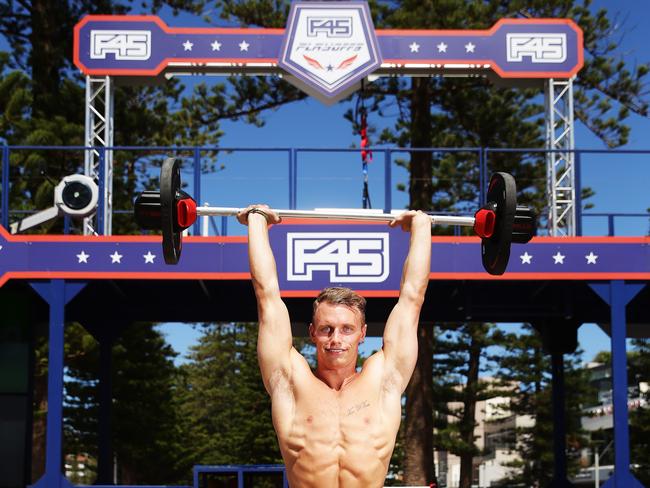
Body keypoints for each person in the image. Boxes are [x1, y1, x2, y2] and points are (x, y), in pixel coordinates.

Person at [237, 204, 432, 488]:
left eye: (347, 329)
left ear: (362, 334)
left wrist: (421, 227)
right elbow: (266, 295)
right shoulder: (290, 380)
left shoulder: (384, 378)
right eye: (327, 329)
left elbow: (413, 297)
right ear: (313, 332)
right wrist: (257, 223)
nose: (336, 339)